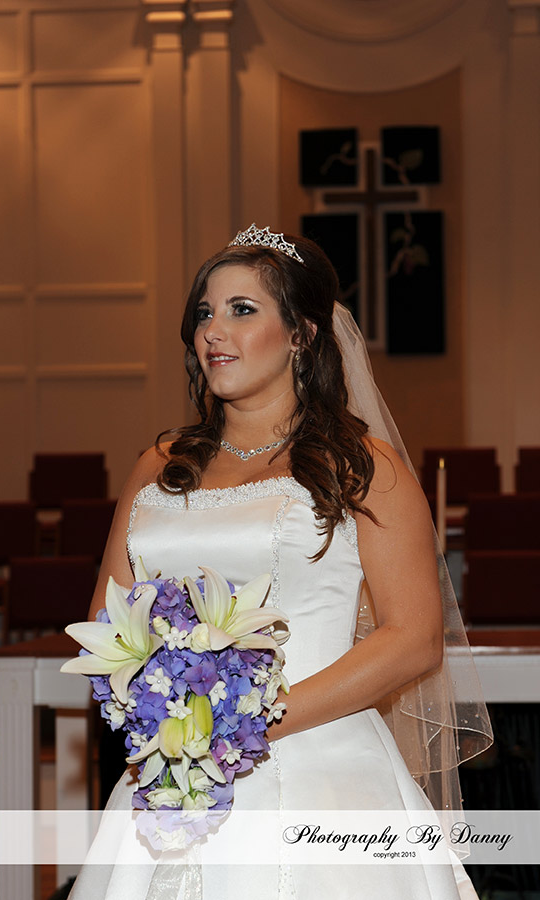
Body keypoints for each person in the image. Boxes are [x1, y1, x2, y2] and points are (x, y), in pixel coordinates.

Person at [67, 225, 492, 899]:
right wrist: (167, 717)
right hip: (174, 767)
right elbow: (106, 622)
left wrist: (246, 724)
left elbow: (413, 638)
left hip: (322, 772)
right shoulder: (160, 465)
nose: (213, 331)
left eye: (242, 309)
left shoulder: (362, 468)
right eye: (204, 312)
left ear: (302, 333)